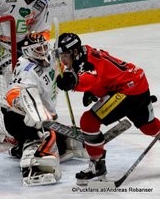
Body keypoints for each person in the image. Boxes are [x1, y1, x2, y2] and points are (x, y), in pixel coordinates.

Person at [54, 32, 160, 185]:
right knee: (149, 127)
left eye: (64, 55)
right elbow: (105, 74)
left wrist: (74, 82)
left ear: (74, 52)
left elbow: (88, 76)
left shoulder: (86, 63)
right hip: (137, 82)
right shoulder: (85, 52)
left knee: (88, 121)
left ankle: (97, 165)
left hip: (127, 91)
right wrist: (93, 91)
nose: (62, 60)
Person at [4, 32, 87, 186]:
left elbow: (66, 65)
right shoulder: (26, 68)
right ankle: (33, 158)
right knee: (44, 139)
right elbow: (13, 92)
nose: (42, 51)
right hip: (21, 119)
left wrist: (69, 75)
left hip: (44, 119)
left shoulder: (49, 58)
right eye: (38, 48)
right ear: (28, 51)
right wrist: (24, 105)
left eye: (44, 46)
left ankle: (22, 146)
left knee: (60, 146)